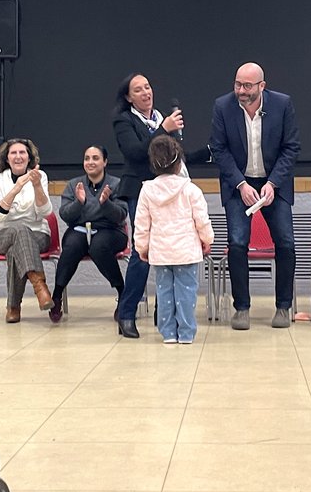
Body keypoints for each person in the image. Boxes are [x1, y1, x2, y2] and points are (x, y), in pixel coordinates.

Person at [111, 73, 206, 339]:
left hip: (172, 192)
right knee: (142, 255)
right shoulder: (124, 120)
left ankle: (163, 315)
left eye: (148, 87)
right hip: (142, 191)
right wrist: (164, 129)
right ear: (129, 97)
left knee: (172, 255)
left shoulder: (160, 118)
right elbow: (136, 152)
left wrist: (205, 153)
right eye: (138, 90)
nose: (146, 93)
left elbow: (175, 156)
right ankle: (127, 313)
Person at [210, 62, 300, 331]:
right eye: (238, 84)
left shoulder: (282, 105)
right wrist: (240, 184)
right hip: (239, 183)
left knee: (286, 242)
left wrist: (273, 183)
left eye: (247, 85)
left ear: (262, 86)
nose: (241, 90)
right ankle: (242, 308)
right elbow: (219, 148)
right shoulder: (223, 106)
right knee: (237, 243)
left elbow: (291, 147)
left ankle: (283, 306)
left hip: (275, 183)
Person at [134, 136, 214, 344]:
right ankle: (186, 333)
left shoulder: (147, 190)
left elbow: (141, 224)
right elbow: (202, 221)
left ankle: (168, 333)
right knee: (187, 292)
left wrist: (142, 247)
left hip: (160, 252)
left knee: (164, 291)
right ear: (180, 163)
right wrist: (207, 239)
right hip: (186, 251)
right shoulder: (191, 190)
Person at [52, 145, 129, 323]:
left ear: (105, 162)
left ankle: (121, 292)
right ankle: (56, 297)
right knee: (71, 246)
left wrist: (106, 203)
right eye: (87, 158)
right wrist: (79, 202)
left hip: (111, 230)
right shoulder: (74, 185)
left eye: (95, 158)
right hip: (80, 228)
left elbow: (121, 215)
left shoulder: (116, 184)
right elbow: (65, 214)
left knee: (98, 247)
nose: (90, 162)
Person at [0, 138, 53, 323]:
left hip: (38, 234)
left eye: (22, 152)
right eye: (13, 153)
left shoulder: (40, 176)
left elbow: (45, 213)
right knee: (18, 231)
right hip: (2, 236)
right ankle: (39, 285)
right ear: (6, 159)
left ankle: (13, 306)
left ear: (29, 157)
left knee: (17, 246)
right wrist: (17, 188)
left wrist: (37, 185)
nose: (18, 156)